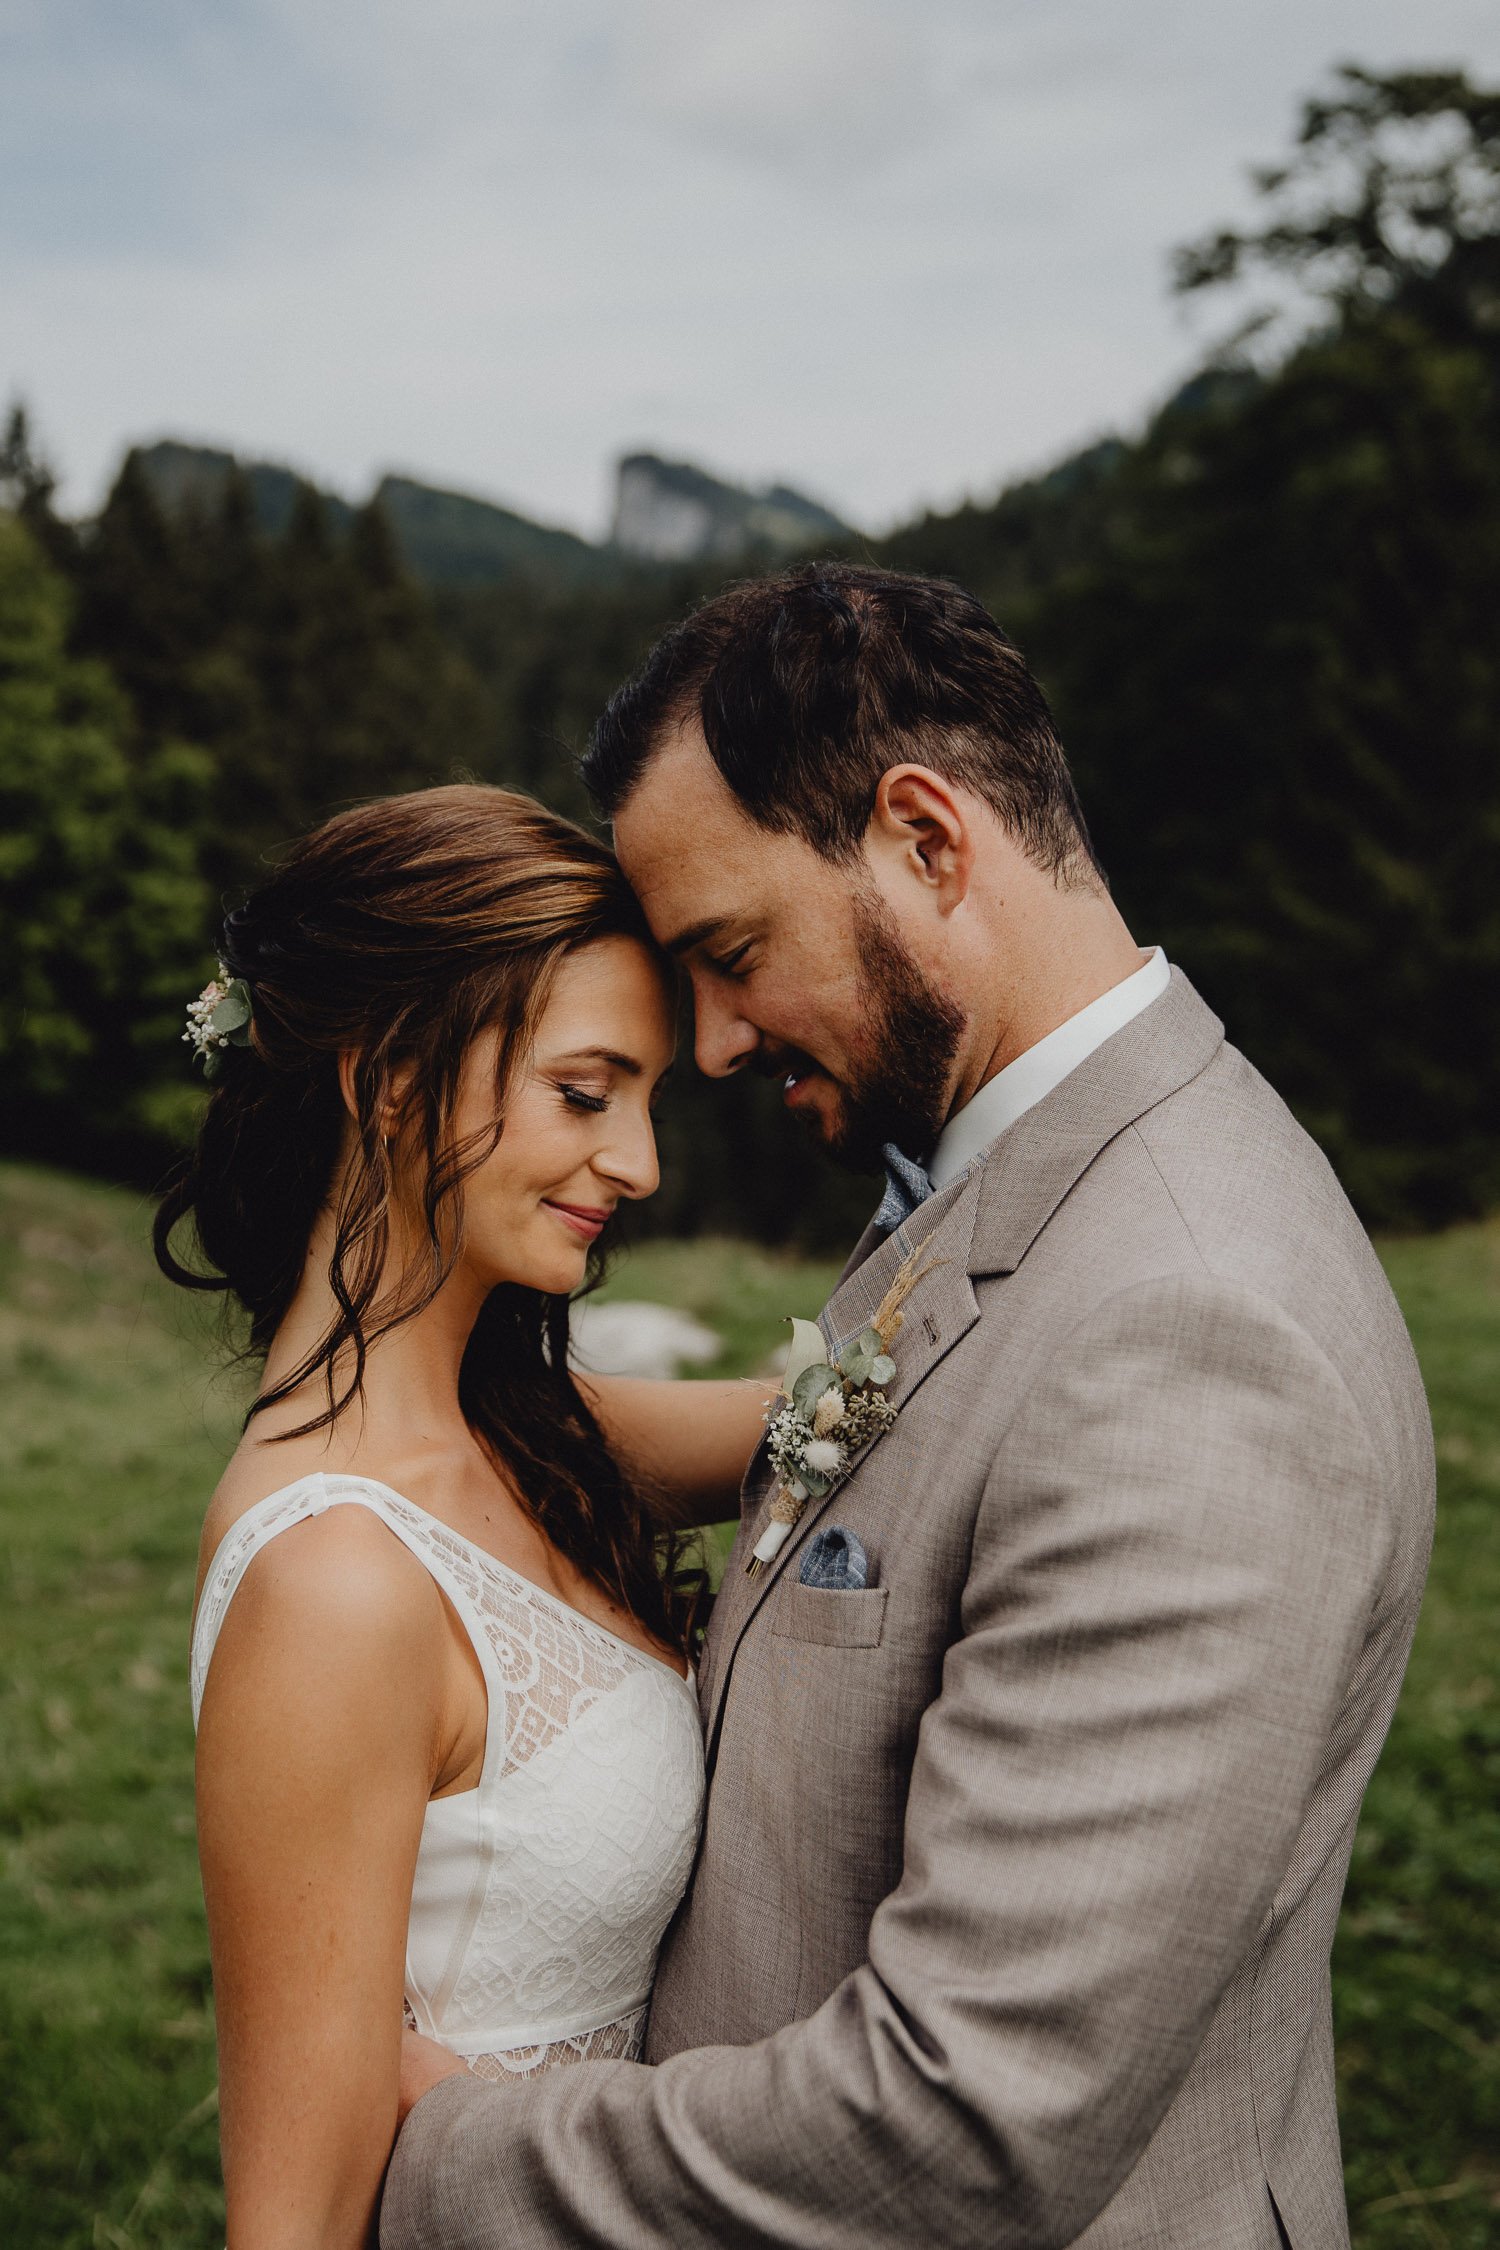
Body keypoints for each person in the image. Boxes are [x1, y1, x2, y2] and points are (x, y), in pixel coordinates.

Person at [384, 566, 1435, 2250]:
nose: (712, 1044)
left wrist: (431, 2147)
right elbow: (841, 1468)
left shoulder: (1190, 1330)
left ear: (928, 841)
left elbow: (965, 2123)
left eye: (731, 955)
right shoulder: (994, 1171)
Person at [157, 786, 775, 2250]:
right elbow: (294, 2221)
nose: (640, 1163)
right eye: (586, 1091)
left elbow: (866, 1419)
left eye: (648, 1102)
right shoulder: (334, 1583)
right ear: (390, 1076)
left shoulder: (533, 1436)